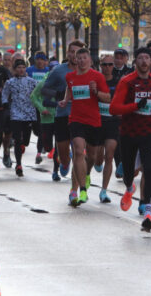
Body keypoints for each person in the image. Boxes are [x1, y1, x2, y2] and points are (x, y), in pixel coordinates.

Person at [109, 46, 151, 230]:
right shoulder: (127, 81)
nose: (144, 61)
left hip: (149, 134)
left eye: (147, 58)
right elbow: (114, 108)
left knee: (150, 170)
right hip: (128, 134)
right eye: (140, 58)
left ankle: (148, 209)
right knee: (128, 174)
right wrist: (134, 106)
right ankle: (129, 189)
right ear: (135, 62)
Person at [59, 49, 110, 205]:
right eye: (78, 58)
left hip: (93, 121)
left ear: (90, 60)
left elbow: (107, 98)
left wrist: (96, 92)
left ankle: (86, 174)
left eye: (84, 58)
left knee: (92, 157)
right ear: (75, 60)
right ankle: (80, 190)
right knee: (79, 152)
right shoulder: (70, 77)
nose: (81, 61)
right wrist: (65, 99)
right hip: (76, 119)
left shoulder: (97, 76)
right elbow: (69, 87)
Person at [41, 41, 83, 180]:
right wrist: (59, 95)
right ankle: (64, 162)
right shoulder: (59, 71)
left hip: (81, 116)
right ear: (68, 53)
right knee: (63, 154)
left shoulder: (90, 71)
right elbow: (45, 89)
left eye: (77, 52)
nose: (74, 55)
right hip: (62, 115)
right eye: (72, 51)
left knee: (79, 151)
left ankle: (79, 186)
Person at [3, 58, 39, 177]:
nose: (21, 70)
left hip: (29, 114)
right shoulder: (10, 82)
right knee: (18, 140)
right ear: (14, 69)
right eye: (19, 67)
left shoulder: (32, 81)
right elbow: (5, 94)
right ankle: (18, 164)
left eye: (23, 67)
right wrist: (5, 103)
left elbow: (40, 91)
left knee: (26, 141)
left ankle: (22, 146)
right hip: (16, 114)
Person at [95, 55, 121, 203]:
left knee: (109, 155)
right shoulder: (95, 80)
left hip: (112, 121)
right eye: (104, 64)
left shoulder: (118, 82)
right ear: (100, 65)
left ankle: (104, 190)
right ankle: (95, 164)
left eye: (110, 65)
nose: (107, 67)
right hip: (97, 121)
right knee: (97, 158)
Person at [30, 68, 60, 180]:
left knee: (59, 146)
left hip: (59, 118)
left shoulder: (63, 83)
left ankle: (56, 171)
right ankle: (48, 150)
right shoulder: (43, 83)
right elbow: (33, 96)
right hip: (46, 119)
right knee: (48, 147)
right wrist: (42, 109)